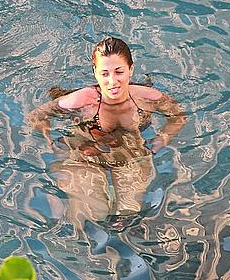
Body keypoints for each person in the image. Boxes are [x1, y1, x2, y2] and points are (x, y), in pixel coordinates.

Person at [28, 37, 186, 231]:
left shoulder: (146, 98)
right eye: (105, 73)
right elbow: (36, 116)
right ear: (95, 73)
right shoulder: (83, 100)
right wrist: (50, 141)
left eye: (119, 72)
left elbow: (178, 116)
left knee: (129, 214)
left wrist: (160, 140)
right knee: (92, 216)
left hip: (129, 156)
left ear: (131, 69)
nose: (112, 81)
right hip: (84, 157)